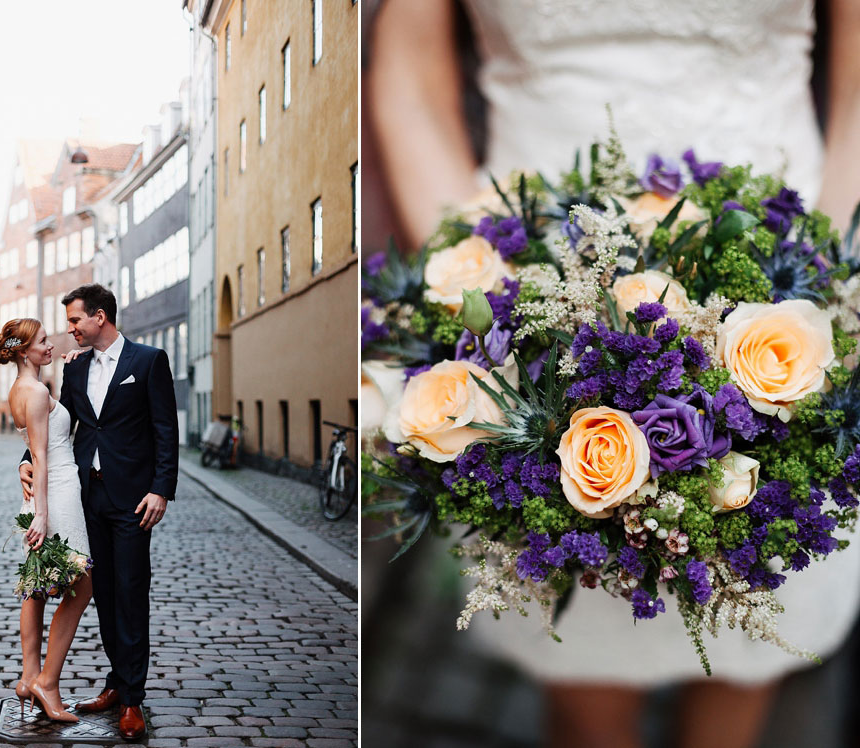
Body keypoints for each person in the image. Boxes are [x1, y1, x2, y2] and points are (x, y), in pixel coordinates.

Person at [367, 1, 860, 746]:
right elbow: (410, 74)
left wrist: (834, 290)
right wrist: (471, 286)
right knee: (579, 670)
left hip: (792, 286)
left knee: (752, 653)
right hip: (534, 296)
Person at [19, 283, 178, 741]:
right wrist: (25, 462)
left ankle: (132, 699)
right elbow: (54, 428)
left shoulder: (148, 361)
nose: (70, 330)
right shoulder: (76, 367)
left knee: (130, 592)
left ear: (100, 317)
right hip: (86, 498)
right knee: (102, 592)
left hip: (133, 501)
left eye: (74, 321)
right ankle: (116, 681)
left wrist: (161, 490)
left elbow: (165, 430)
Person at [0, 318, 92, 724]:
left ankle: (28, 676)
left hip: (43, 494)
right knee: (83, 586)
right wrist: (44, 515)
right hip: (57, 493)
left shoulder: (21, 389)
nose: (50, 345)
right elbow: (41, 456)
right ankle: (46, 682)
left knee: (36, 586)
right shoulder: (35, 392)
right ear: (22, 350)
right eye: (42, 341)